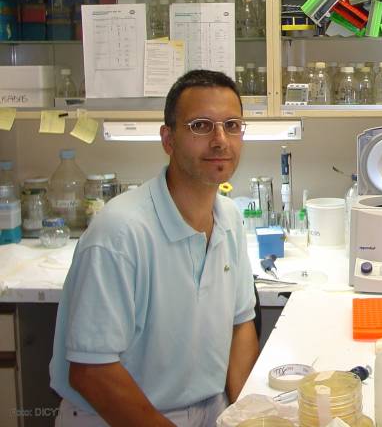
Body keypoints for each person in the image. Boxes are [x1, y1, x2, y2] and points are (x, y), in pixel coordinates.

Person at [50, 70, 259, 427]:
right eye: (200, 126)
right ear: (168, 139)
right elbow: (91, 371)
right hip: (118, 417)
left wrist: (247, 417)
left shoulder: (229, 220)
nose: (220, 140)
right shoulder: (119, 233)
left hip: (212, 411)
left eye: (232, 125)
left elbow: (241, 326)